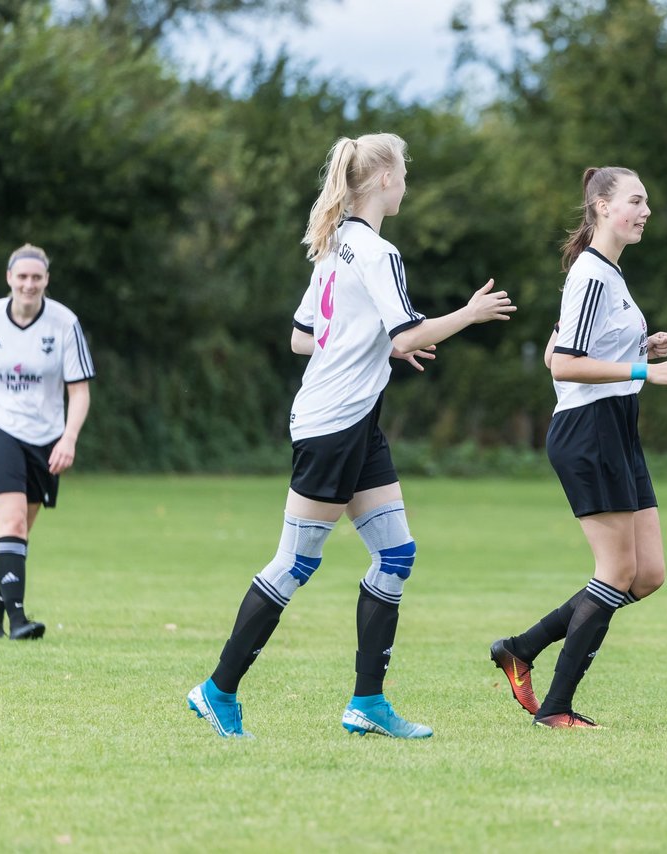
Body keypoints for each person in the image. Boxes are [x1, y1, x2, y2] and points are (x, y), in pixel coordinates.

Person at [187, 133, 514, 739]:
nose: (407, 182)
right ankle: (217, 690)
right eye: (405, 172)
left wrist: (378, 350)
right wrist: (468, 313)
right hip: (333, 425)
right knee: (293, 565)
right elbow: (408, 333)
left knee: (396, 555)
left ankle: (367, 703)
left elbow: (303, 337)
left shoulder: (333, 246)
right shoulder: (375, 251)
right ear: (386, 180)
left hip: (355, 423)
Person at [489, 166, 667, 728]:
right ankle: (555, 708)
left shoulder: (610, 273)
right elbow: (560, 361)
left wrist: (639, 348)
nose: (645, 210)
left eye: (646, 201)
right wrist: (641, 369)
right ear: (602, 206)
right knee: (615, 571)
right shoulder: (592, 275)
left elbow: (580, 350)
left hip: (616, 427)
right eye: (635, 200)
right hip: (589, 431)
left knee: (646, 574)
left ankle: (522, 647)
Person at [0, 244, 94, 641]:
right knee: (11, 522)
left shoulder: (64, 323)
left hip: (45, 438)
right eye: (21, 277)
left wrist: (69, 439)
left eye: (36, 277)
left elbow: (79, 392)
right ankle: (19, 621)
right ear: (9, 278)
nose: (28, 284)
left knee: (19, 531)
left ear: (46, 280)